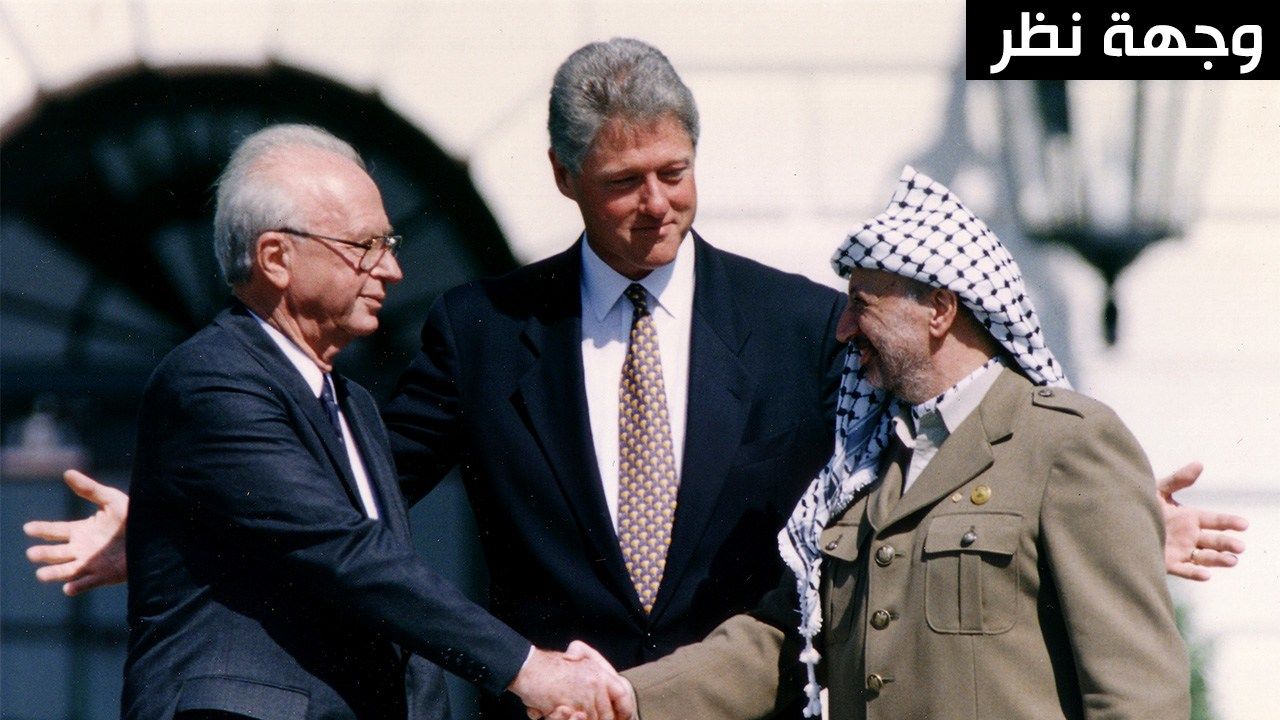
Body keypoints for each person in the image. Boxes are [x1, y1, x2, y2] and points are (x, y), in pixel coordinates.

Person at [25, 38, 1244, 719]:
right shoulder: (481, 331)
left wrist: (1113, 515)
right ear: (565, 180)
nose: (656, 203)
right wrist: (184, 514)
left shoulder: (803, 321)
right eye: (622, 182)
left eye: (674, 172)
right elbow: (354, 496)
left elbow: (912, 469)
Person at [620, 167, 1192, 719]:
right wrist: (626, 698)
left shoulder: (1066, 444)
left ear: (939, 310)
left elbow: (1138, 697)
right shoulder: (862, 468)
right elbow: (781, 642)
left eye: (862, 304)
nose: (843, 329)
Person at [101, 124, 631, 720]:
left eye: (390, 242)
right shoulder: (210, 379)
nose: (392, 269)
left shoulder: (352, 404)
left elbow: (382, 591)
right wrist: (528, 669)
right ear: (276, 258)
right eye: (366, 245)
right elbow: (345, 553)